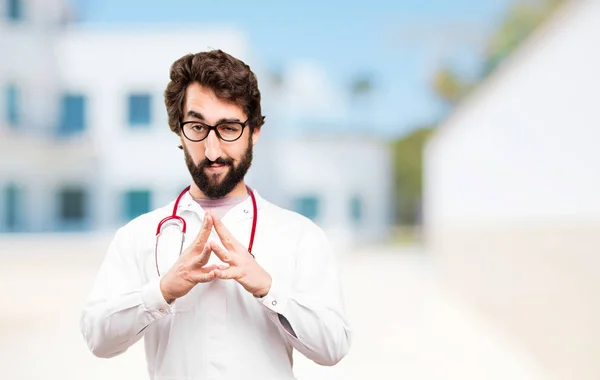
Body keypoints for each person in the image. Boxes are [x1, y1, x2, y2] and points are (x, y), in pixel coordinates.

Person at [80, 49, 352, 380]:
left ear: (254, 131)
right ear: (179, 132)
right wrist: (162, 290)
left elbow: (333, 347)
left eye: (228, 128)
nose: (212, 151)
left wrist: (267, 288)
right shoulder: (139, 236)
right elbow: (98, 339)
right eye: (197, 127)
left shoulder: (299, 235)